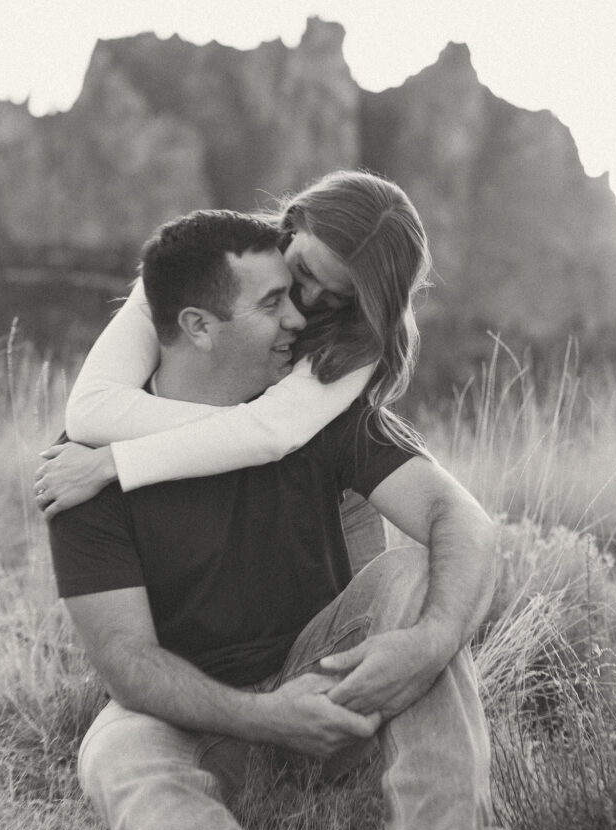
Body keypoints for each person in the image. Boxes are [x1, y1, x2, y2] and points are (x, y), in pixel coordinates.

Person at [46, 209, 503, 830]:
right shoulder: (86, 472)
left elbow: (459, 520)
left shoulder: (317, 407)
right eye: (273, 302)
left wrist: (428, 640)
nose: (302, 315)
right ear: (196, 324)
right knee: (114, 747)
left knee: (412, 577)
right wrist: (263, 718)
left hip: (322, 683)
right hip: (198, 709)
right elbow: (125, 662)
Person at [35, 171, 430, 575]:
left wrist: (115, 461)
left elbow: (274, 434)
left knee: (360, 624)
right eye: (307, 272)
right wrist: (253, 435)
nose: (309, 299)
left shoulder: (361, 334)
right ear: (295, 224)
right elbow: (92, 410)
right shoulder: (204, 263)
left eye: (338, 296)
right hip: (225, 501)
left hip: (332, 510)